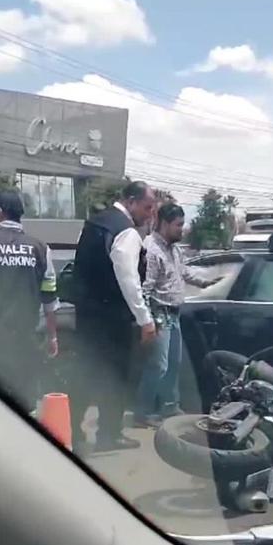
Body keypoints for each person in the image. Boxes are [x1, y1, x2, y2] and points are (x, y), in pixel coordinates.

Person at [72, 180, 156, 453]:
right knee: (116, 375)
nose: (150, 213)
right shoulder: (126, 232)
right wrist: (144, 318)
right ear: (130, 202)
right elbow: (128, 279)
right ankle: (109, 433)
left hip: (87, 313)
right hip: (112, 316)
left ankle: (74, 432)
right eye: (147, 207)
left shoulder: (95, 223)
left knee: (85, 372)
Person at [0, 190, 58, 412]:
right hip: (26, 340)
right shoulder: (41, 248)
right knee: (25, 404)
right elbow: (50, 298)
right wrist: (53, 336)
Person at [135, 202, 218, 426]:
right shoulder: (151, 249)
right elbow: (145, 288)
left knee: (173, 364)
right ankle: (142, 413)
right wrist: (147, 320)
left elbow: (183, 273)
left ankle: (169, 408)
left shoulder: (174, 248)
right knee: (158, 365)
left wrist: (207, 282)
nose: (182, 229)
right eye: (178, 225)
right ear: (163, 223)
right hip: (159, 313)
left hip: (173, 314)